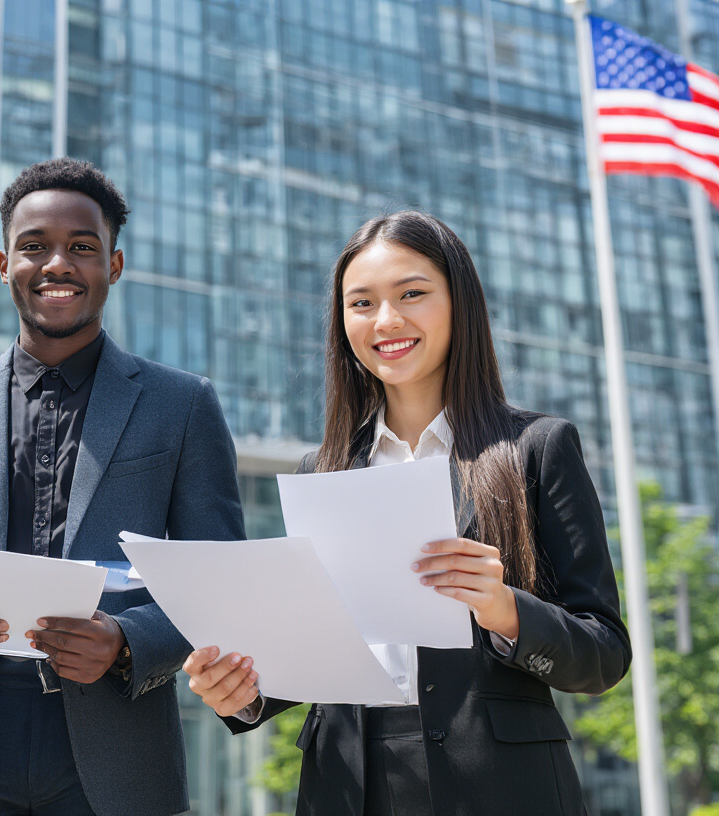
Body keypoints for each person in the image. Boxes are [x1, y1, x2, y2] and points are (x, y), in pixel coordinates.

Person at [183, 211, 632, 816]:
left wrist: (506, 612)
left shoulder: (537, 448)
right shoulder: (323, 471)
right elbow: (318, 648)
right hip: (348, 785)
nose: (386, 321)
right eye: (361, 303)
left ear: (459, 302)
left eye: (412, 294)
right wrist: (243, 692)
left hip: (501, 786)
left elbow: (603, 653)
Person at [0, 157, 246, 816]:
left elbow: (219, 580)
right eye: (34, 247)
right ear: (3, 265)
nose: (58, 263)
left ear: (113, 264)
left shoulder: (182, 405)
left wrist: (131, 641)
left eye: (81, 247)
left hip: (120, 754)